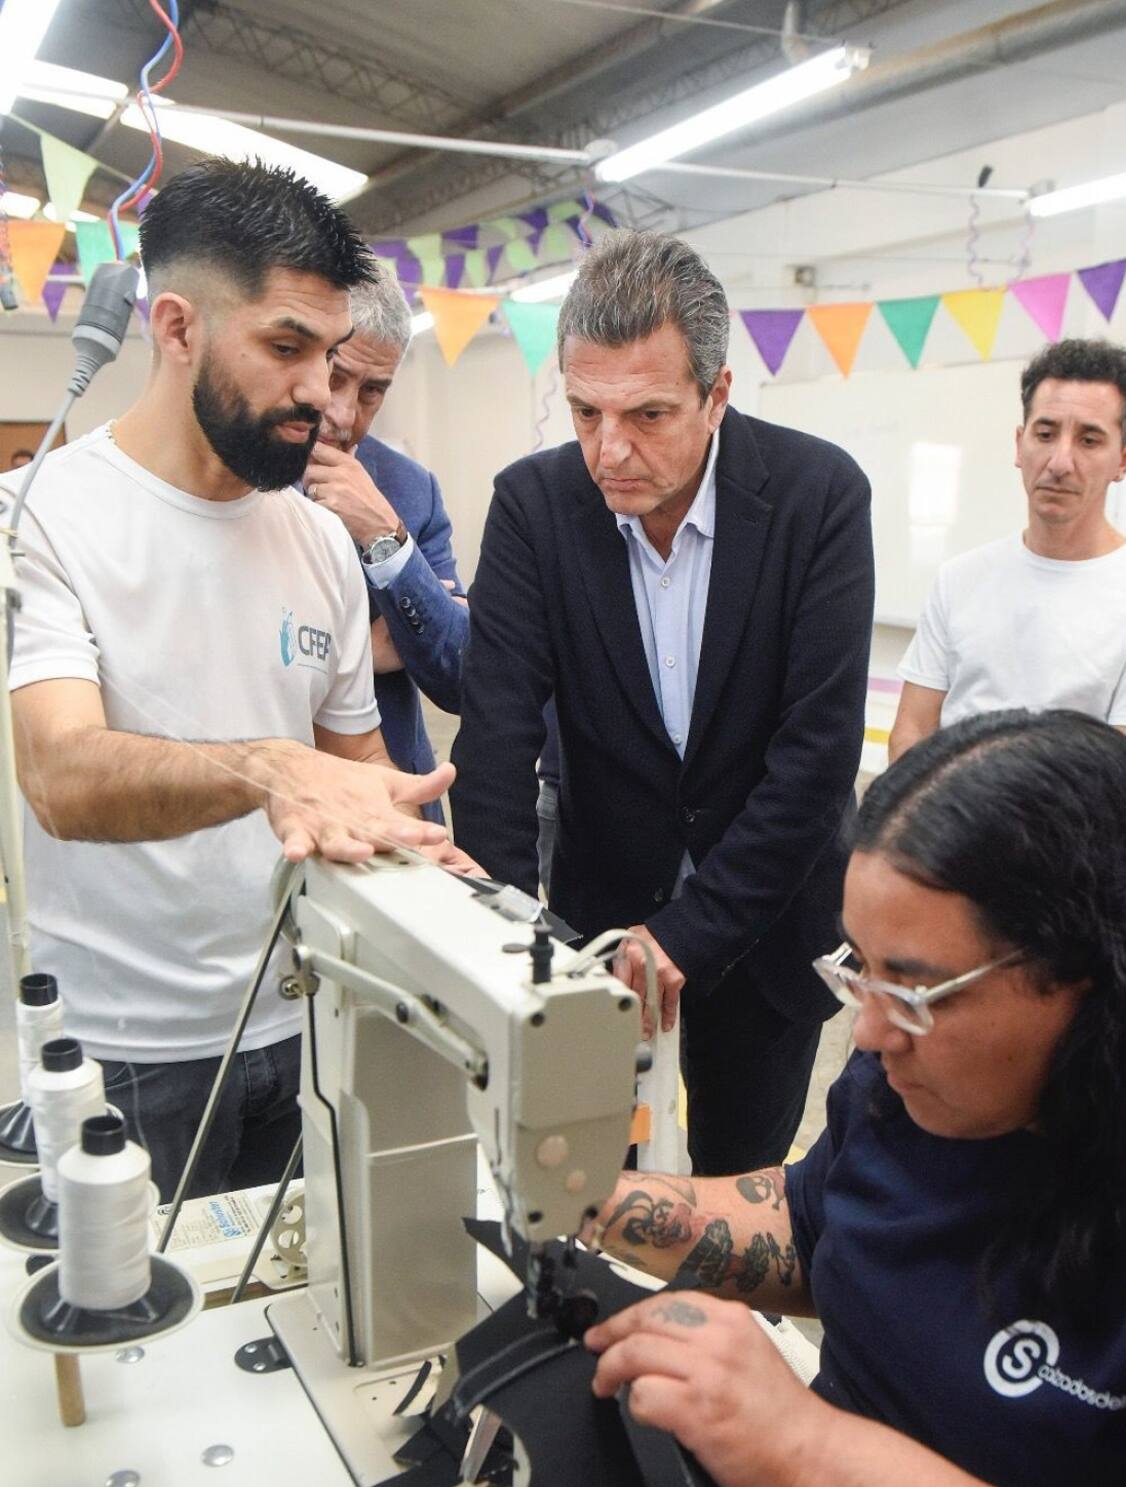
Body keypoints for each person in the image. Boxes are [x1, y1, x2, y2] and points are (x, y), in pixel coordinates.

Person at [585, 709, 1126, 1487]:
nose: (868, 1032)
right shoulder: (917, 1083)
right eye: (856, 971)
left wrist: (803, 1448)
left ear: (1097, 973)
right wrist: (594, 1202)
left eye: (912, 988)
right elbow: (820, 1227)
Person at [3, 156, 462, 1205]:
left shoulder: (314, 539)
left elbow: (356, 772)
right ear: (176, 328)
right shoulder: (43, 518)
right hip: (125, 1048)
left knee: (302, 1320)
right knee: (139, 1345)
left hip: (311, 1015)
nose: (322, 395)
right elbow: (62, 778)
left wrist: (439, 868)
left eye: (336, 354)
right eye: (286, 348)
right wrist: (266, 767)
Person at [451, 230, 874, 1176]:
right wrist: (512, 945)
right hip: (594, 933)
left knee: (738, 1195)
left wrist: (684, 935)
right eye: (584, 411)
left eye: (647, 414)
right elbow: (496, 738)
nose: (611, 450)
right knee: (593, 1191)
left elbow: (814, 761)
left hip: (768, 936)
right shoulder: (533, 505)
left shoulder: (818, 499)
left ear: (717, 395)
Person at [889, 339, 1126, 765]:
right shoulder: (959, 579)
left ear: (1124, 459)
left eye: (1089, 440)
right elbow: (913, 731)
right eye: (1046, 434)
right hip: (947, 826)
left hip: (1073, 830)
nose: (1059, 461)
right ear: (1020, 443)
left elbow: (1124, 782)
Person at [300, 260, 468, 821]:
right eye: (336, 375)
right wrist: (361, 651)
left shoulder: (408, 490)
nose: (345, 415)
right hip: (276, 800)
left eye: (373, 391)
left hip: (395, 790)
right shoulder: (237, 477)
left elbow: (457, 671)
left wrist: (385, 536)